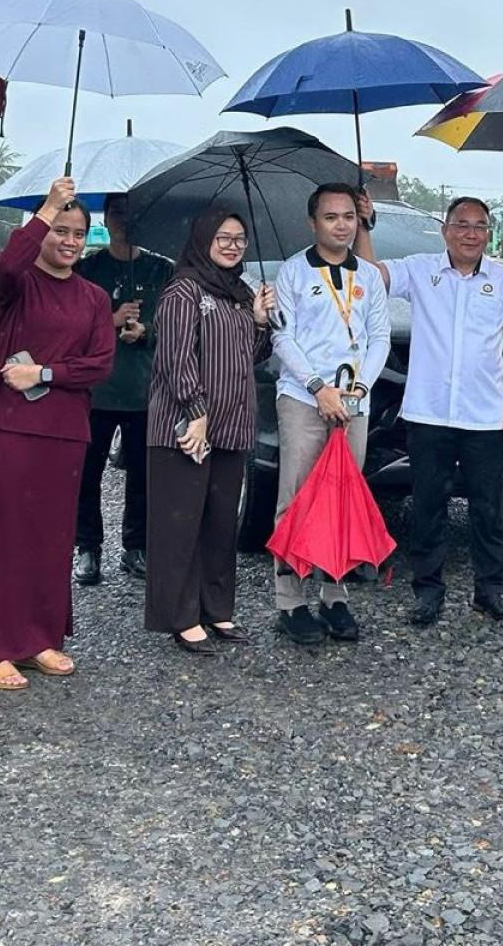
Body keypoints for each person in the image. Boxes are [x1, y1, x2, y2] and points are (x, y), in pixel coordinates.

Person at [0, 179, 113, 690]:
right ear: (41, 232)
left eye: (78, 232)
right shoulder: (16, 286)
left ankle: (39, 637)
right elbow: (4, 266)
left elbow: (99, 364)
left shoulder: (93, 297)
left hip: (64, 432)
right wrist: (45, 208)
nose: (68, 240)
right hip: (5, 428)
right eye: (59, 230)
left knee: (50, 537)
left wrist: (45, 373)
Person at [361, 195, 503, 627]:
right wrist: (364, 226)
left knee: (488, 508)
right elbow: (370, 275)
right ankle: (427, 591)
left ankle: (490, 591)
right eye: (462, 224)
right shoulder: (421, 270)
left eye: (479, 226)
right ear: (446, 230)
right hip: (430, 413)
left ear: (488, 232)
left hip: (484, 415)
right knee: (428, 505)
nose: (470, 233)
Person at [145, 207, 275, 655]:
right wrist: (195, 410)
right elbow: (174, 358)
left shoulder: (239, 293)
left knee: (221, 525)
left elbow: (251, 357)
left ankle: (216, 607)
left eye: (239, 238)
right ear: (203, 239)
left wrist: (259, 320)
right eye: (223, 237)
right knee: (181, 524)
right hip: (186, 427)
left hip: (232, 425)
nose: (232, 245)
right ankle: (181, 617)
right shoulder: (184, 291)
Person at [270, 183, 391, 645]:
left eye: (348, 217)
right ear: (313, 222)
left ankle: (333, 595)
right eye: (331, 217)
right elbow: (283, 338)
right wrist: (318, 387)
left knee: (341, 499)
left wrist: (360, 386)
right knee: (297, 498)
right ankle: (290, 601)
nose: (341, 225)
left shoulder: (368, 277)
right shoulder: (294, 273)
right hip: (304, 399)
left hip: (352, 402)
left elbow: (378, 336)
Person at [72, 193, 173, 586]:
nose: (125, 221)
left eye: (134, 213)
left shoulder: (161, 271)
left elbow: (177, 326)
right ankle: (87, 547)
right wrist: (109, 322)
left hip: (144, 390)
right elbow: (70, 328)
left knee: (143, 476)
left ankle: (136, 546)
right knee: (86, 473)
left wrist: (146, 332)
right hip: (95, 391)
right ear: (105, 217)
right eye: (117, 213)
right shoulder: (86, 269)